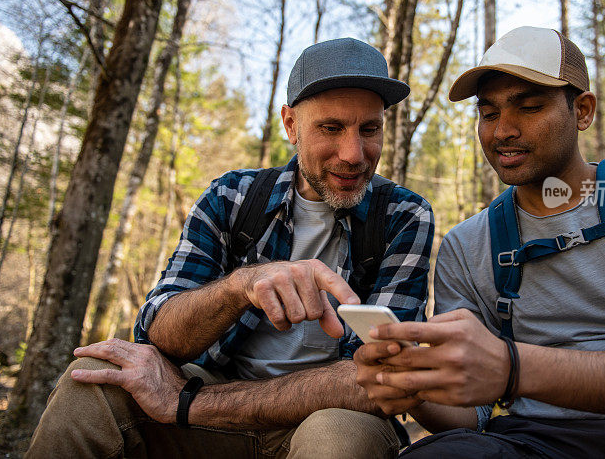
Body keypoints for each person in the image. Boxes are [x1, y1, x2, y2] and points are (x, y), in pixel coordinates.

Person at [353, 26, 605, 457]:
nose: (502, 131)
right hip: (541, 442)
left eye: (529, 107)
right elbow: (472, 414)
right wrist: (414, 385)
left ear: (583, 111)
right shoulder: (468, 245)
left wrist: (513, 369)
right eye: (488, 113)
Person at [25, 38, 434, 459]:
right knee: (90, 378)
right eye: (330, 128)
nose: (354, 154)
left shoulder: (403, 216)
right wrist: (240, 287)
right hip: (210, 405)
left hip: (326, 414)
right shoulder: (231, 197)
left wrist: (187, 402)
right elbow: (157, 332)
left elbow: (378, 377)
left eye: (369, 129)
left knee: (337, 437)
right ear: (291, 125)